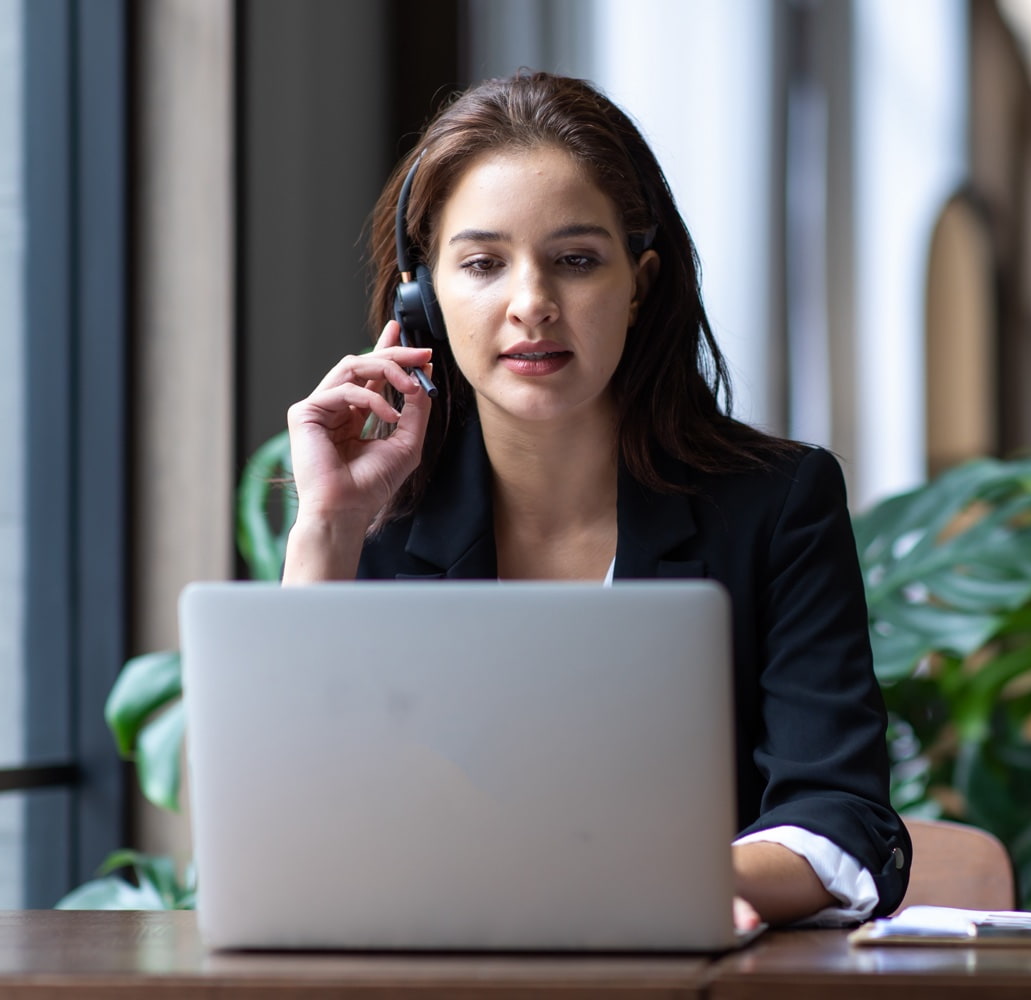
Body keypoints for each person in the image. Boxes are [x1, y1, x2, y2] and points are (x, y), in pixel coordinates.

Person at [282, 70, 910, 928]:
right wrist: (327, 527)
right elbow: (290, 837)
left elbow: (843, 818)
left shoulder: (774, 506)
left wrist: (669, 885)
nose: (532, 304)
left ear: (640, 281)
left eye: (576, 261)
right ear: (422, 297)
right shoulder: (374, 523)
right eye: (483, 264)